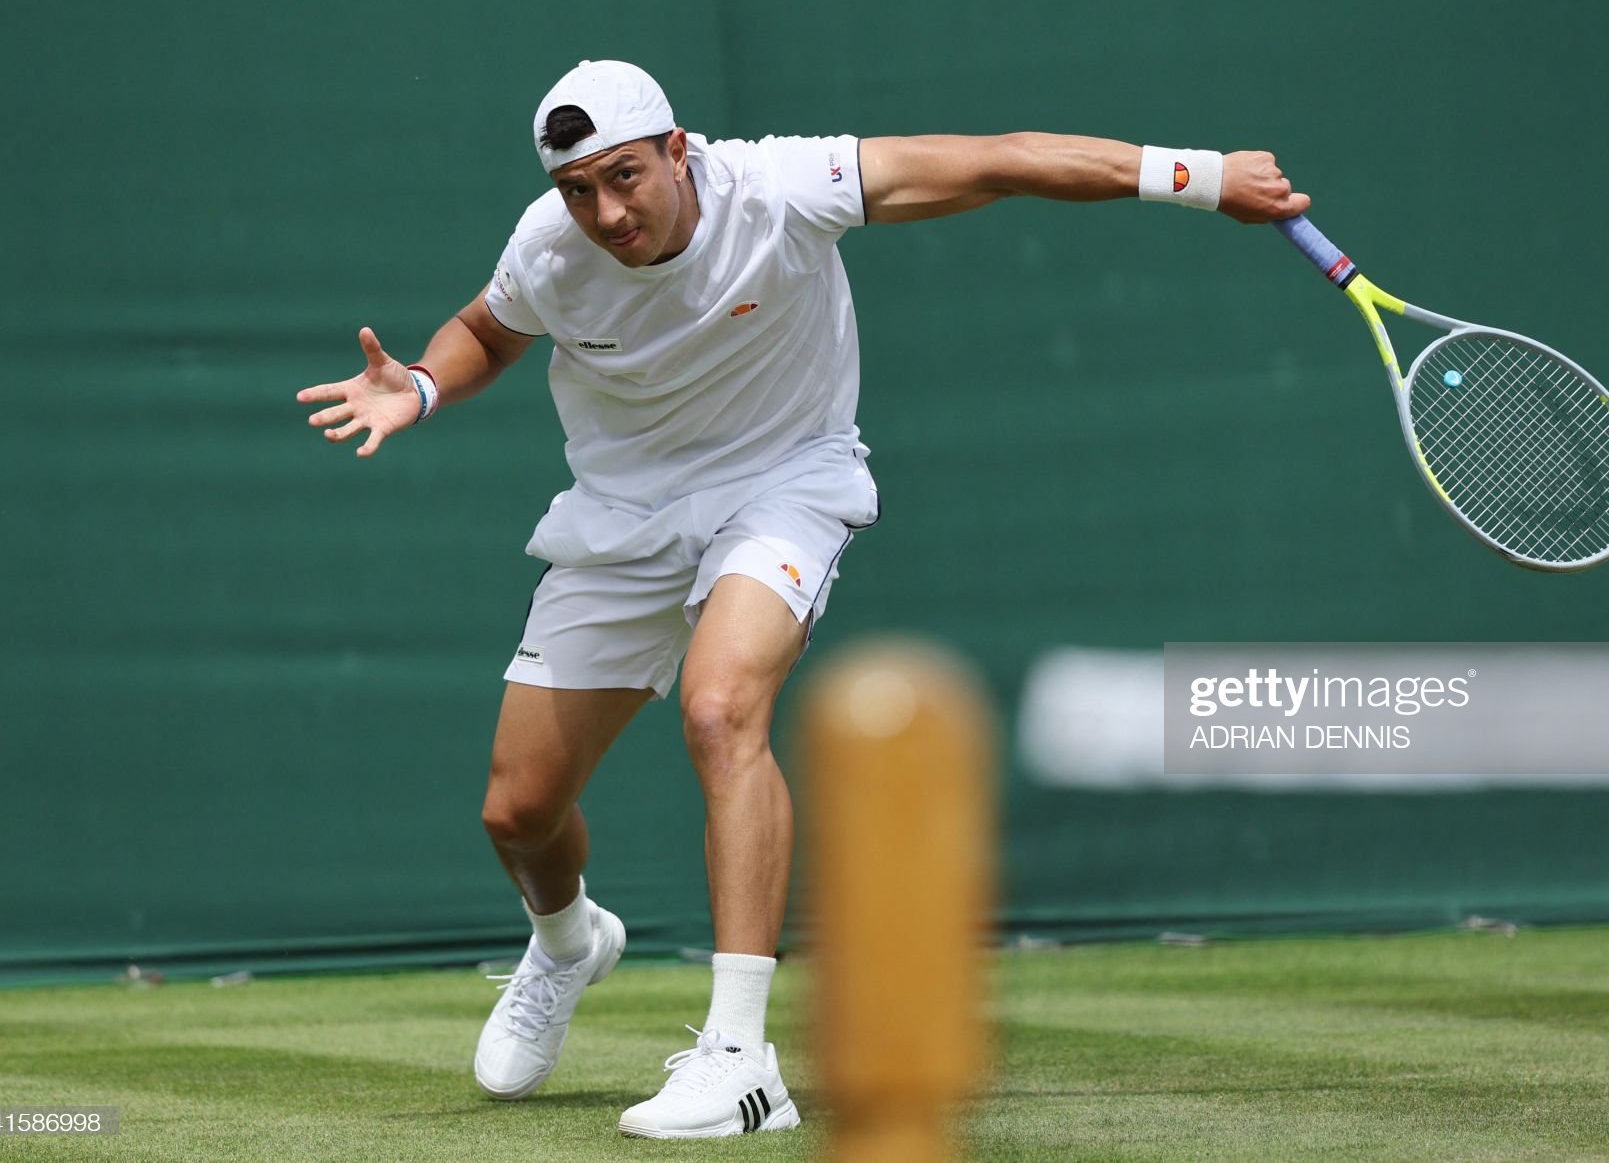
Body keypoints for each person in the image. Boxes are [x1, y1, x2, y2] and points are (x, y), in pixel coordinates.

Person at [295, 58, 1308, 1139]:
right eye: (578, 189)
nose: (605, 211)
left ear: (678, 150)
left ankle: (739, 1059)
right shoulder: (549, 248)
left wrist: (1200, 177)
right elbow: (489, 330)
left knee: (720, 708)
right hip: (623, 517)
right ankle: (567, 944)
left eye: (626, 176)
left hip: (785, 487)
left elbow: (996, 163)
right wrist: (420, 384)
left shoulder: (781, 186)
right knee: (518, 809)